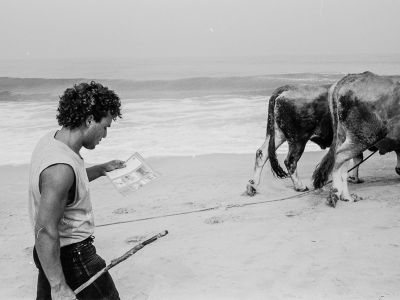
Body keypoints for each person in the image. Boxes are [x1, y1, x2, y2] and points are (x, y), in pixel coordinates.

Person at [28, 81, 125, 300]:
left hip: (52, 254)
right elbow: (45, 230)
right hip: (73, 256)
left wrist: (101, 169)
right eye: (105, 126)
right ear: (90, 120)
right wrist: (59, 287)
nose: (105, 135)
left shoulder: (53, 141)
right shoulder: (60, 168)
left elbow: (68, 188)